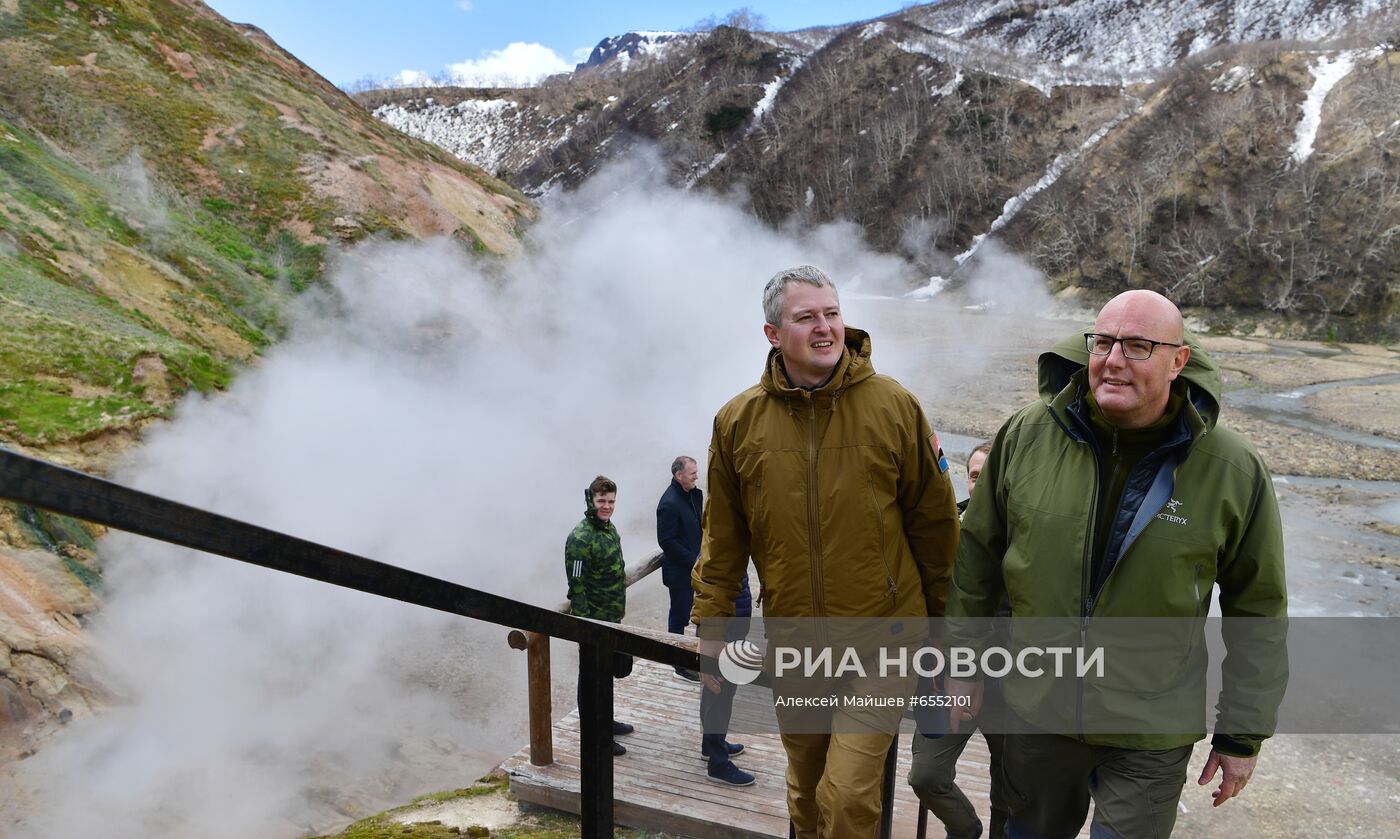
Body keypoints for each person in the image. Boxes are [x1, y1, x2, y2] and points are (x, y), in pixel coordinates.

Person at [946, 290, 1288, 838]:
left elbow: (1259, 610)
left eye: (1138, 346)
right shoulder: (1026, 436)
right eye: (1103, 342)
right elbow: (977, 566)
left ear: (1179, 361)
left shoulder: (1231, 468)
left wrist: (1241, 736)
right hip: (1037, 712)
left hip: (1150, 727)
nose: (1113, 360)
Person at [692, 265, 960, 838]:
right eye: (806, 316)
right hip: (797, 641)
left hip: (885, 640)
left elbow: (936, 528)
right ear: (772, 333)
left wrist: (946, 627)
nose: (825, 328)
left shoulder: (894, 406)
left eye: (832, 313)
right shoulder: (738, 422)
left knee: (846, 791)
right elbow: (724, 537)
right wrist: (712, 629)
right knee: (807, 787)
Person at [909, 440, 1008, 839]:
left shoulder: (1028, 537)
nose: (978, 483)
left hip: (1010, 681)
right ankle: (965, 829)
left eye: (987, 476)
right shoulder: (947, 528)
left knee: (1010, 793)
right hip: (950, 679)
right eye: (973, 475)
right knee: (926, 774)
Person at [657, 455, 756, 784]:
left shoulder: (717, 509)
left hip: (736, 606)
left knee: (726, 682)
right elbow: (700, 563)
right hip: (721, 613)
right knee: (718, 682)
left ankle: (712, 743)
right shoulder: (712, 521)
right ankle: (715, 758)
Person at [565, 474, 635, 757]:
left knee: (605, 673)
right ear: (590, 500)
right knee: (591, 676)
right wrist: (584, 626)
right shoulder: (581, 538)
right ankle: (595, 734)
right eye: (601, 501)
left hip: (611, 616)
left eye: (611, 501)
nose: (606, 506)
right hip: (594, 620)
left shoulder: (609, 529)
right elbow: (577, 586)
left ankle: (606, 720)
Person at [657, 456, 704, 680]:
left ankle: (694, 656)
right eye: (693, 472)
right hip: (681, 572)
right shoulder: (669, 503)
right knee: (679, 618)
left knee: (699, 615)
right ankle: (678, 664)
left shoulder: (694, 494)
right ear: (679, 475)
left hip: (696, 569)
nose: (697, 475)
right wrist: (693, 560)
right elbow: (666, 541)